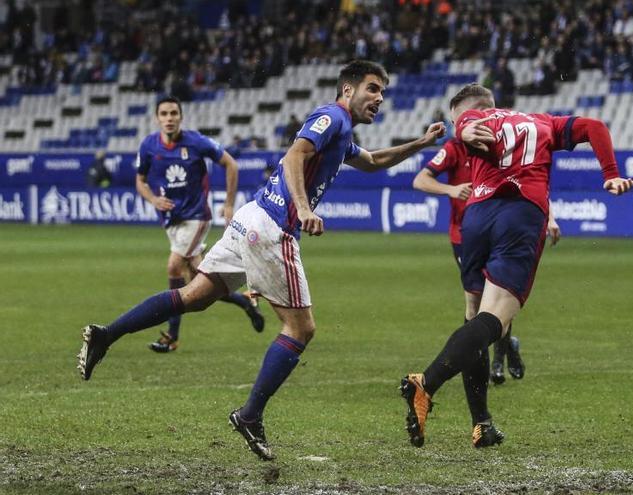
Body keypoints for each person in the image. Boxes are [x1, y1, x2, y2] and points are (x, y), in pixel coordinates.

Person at [78, 60, 446, 461]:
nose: (379, 98)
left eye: (383, 92)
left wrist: (419, 144)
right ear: (347, 90)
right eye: (372, 89)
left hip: (251, 216)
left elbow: (373, 161)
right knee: (300, 328)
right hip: (272, 228)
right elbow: (294, 156)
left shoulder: (342, 134)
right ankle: (250, 414)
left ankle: (106, 334)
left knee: (194, 295)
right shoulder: (332, 117)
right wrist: (303, 208)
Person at [399, 84, 633, 449]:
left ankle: (482, 424)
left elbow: (467, 125)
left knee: (474, 319)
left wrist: (463, 129)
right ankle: (426, 383)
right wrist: (609, 172)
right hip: (520, 214)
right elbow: (594, 127)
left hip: (476, 219)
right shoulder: (542, 122)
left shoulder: (474, 119)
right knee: (494, 323)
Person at [413, 134, 562, 385]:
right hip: (466, 236)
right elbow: (420, 180)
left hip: (503, 232)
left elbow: (531, 184)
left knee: (501, 300)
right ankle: (491, 355)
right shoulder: (454, 148)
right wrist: (451, 189)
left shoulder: (508, 143)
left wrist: (550, 217)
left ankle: (497, 362)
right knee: (476, 307)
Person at [134, 96, 265, 353]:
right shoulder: (148, 145)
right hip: (172, 221)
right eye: (164, 114)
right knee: (199, 281)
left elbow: (231, 164)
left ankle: (171, 337)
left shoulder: (196, 142)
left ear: (181, 117)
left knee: (173, 266)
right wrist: (153, 199)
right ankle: (246, 303)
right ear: (157, 118)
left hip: (196, 217)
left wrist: (228, 205)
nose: (169, 118)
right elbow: (140, 180)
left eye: (174, 113)